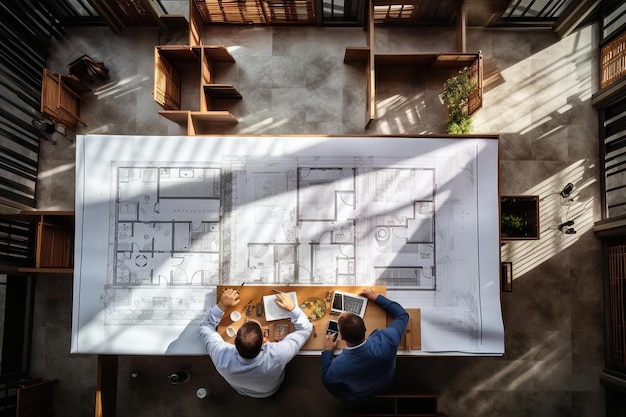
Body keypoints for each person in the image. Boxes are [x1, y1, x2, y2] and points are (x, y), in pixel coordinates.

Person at [198, 288, 312, 398]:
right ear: (265, 340)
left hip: (242, 390)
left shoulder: (221, 357)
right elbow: (305, 329)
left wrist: (222, 305)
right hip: (271, 390)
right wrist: (292, 308)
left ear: (235, 342)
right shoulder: (278, 354)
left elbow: (205, 327)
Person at [321, 288, 409, 402]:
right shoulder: (388, 340)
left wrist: (328, 351)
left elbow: (326, 379)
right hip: (387, 382)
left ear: (341, 337)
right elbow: (402, 315)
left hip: (360, 394)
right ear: (365, 328)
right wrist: (376, 297)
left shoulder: (337, 366)